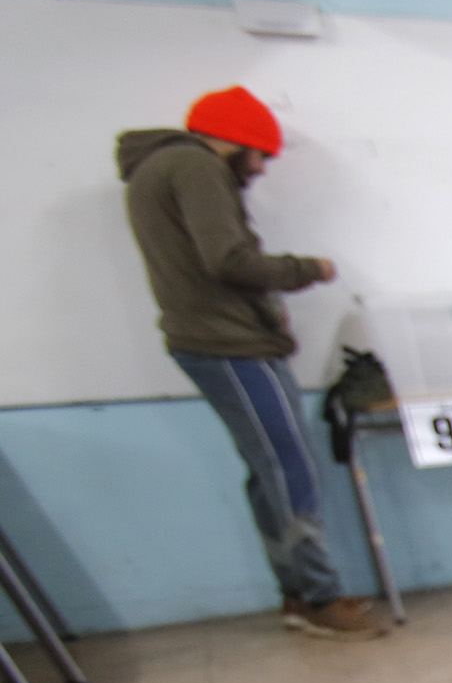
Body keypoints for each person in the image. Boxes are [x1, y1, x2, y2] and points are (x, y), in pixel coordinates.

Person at [118, 87, 386, 640]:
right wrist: (307, 268)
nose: (260, 169)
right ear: (232, 142)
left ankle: (297, 594)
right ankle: (319, 598)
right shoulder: (195, 165)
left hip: (219, 341)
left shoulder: (159, 168)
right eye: (260, 154)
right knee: (290, 470)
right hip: (229, 345)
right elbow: (229, 260)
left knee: (272, 473)